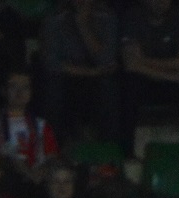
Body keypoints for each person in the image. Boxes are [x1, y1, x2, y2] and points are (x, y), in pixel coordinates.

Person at [120, 0, 179, 151]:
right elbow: (131, 65)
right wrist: (172, 76)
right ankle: (125, 153)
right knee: (128, 86)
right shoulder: (133, 17)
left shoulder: (178, 17)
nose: (161, 2)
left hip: (170, 82)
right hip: (145, 81)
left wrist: (144, 61)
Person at [39, 0, 119, 141]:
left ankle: (109, 145)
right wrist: (91, 72)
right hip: (68, 74)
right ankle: (53, 144)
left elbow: (106, 61)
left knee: (108, 86)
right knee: (54, 86)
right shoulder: (55, 18)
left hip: (99, 76)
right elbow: (52, 63)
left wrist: (83, 25)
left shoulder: (106, 16)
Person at [0, 71, 58, 184]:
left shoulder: (42, 125)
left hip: (38, 180)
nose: (19, 92)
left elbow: (52, 156)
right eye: (13, 86)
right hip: (5, 180)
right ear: (4, 91)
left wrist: (39, 173)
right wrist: (21, 169)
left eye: (25, 87)